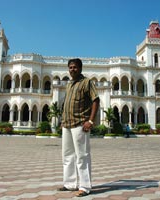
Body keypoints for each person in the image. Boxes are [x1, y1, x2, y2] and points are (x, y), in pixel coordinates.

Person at [58, 58, 100, 197]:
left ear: (80, 68)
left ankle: (85, 186)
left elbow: (96, 100)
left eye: (75, 67)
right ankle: (70, 184)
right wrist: (62, 121)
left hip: (80, 123)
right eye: (70, 67)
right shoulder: (69, 84)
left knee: (82, 156)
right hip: (67, 124)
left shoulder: (87, 82)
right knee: (67, 156)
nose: (72, 69)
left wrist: (91, 121)